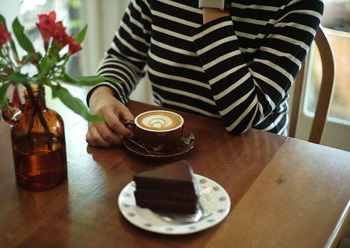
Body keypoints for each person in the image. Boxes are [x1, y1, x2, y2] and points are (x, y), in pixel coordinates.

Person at [86, 0, 324, 147]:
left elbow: (242, 117)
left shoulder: (300, 4)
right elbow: (124, 56)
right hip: (171, 146)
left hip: (256, 156)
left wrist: (211, 6)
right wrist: (101, 94)